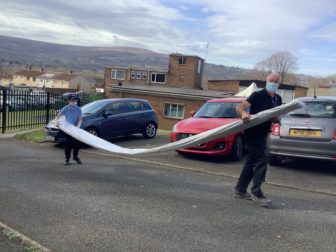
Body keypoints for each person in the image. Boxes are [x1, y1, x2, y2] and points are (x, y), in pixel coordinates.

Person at [234, 73, 282, 206]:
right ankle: (256, 192)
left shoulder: (278, 99)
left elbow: (274, 116)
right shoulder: (257, 95)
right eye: (271, 80)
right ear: (266, 81)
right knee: (261, 160)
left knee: (251, 161)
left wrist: (277, 119)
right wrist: (244, 113)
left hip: (263, 133)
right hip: (252, 132)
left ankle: (240, 189)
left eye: (276, 81)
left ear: (279, 84)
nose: (273, 83)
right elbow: (239, 107)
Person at [55, 94, 83, 165]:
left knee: (77, 144)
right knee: (68, 145)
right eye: (72, 100)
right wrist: (56, 122)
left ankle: (75, 157)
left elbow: (80, 119)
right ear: (68, 101)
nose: (74, 101)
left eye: (75, 100)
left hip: (75, 129)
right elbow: (57, 117)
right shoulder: (65, 109)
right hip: (68, 130)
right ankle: (67, 159)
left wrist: (78, 126)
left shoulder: (78, 109)